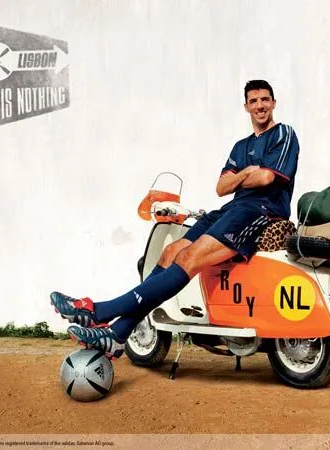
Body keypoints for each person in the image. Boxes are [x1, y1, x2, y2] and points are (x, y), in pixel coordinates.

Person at [50, 80, 300, 359]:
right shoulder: (241, 146)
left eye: (265, 100)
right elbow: (221, 188)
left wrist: (244, 177)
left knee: (188, 258)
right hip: (232, 207)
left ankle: (99, 311)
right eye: (253, 101)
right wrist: (245, 173)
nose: (260, 106)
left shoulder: (284, 133)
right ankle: (118, 335)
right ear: (246, 107)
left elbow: (265, 178)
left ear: (273, 103)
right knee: (171, 251)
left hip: (261, 210)